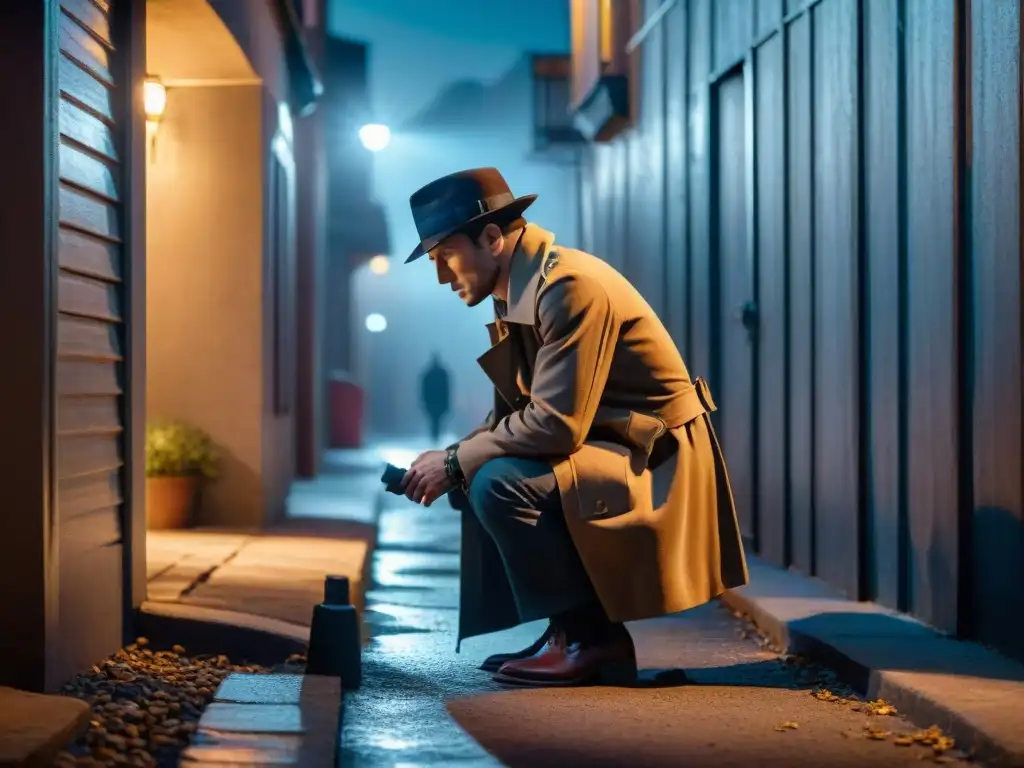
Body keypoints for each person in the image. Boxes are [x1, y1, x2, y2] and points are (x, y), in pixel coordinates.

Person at [398, 167, 748, 688]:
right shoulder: (517, 286)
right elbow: (512, 415)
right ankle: (567, 630)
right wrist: (450, 458)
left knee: (498, 483)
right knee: (476, 475)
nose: (442, 276)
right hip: (608, 441)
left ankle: (595, 639)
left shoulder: (567, 286)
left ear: (492, 237)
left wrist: (455, 461)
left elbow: (556, 425)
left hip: (656, 458)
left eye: (444, 255)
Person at [419, 353, 451, 443]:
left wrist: (424, 399)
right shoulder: (442, 372)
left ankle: (434, 435)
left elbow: (424, 388)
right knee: (437, 418)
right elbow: (446, 388)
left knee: (434, 418)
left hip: (431, 401)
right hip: (439, 401)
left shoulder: (428, 373)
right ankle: (436, 435)